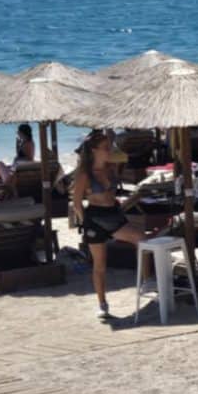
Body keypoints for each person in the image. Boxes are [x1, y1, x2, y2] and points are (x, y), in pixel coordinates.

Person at [69, 130, 145, 321]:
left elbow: (124, 155)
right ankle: (102, 305)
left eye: (109, 146)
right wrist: (84, 220)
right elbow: (76, 202)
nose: (109, 150)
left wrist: (109, 138)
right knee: (99, 265)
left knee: (141, 238)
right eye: (104, 148)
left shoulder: (111, 167)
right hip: (95, 217)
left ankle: (146, 281)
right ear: (94, 150)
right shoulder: (84, 175)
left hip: (113, 214)